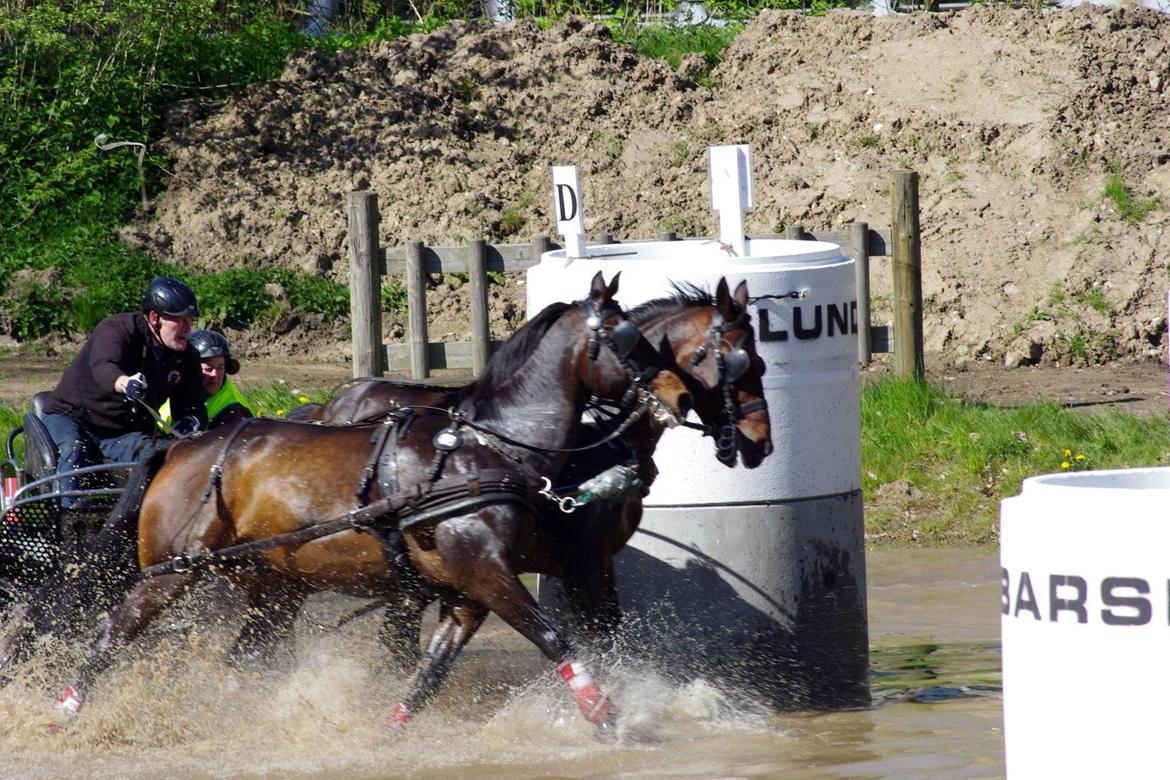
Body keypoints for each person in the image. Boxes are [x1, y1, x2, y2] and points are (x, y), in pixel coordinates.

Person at [41, 276, 208, 508]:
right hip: (71, 416)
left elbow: (192, 405)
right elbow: (104, 366)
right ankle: (67, 524)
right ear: (154, 318)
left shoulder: (187, 357)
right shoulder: (117, 328)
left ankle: (145, 521)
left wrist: (191, 421)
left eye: (190, 321)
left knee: (155, 455)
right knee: (74, 449)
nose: (187, 328)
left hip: (121, 432)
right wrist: (125, 383)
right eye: (179, 321)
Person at [160, 329, 253, 429]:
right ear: (191, 370)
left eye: (220, 368)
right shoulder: (174, 390)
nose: (215, 374)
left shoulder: (235, 413)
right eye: (208, 369)